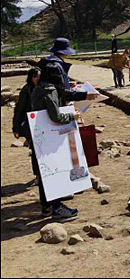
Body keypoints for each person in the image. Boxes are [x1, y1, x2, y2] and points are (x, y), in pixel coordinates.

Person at [30, 61, 88, 220]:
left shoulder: (39, 87)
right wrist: (72, 116)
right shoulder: (50, 90)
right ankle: (57, 208)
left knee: (46, 171)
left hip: (41, 135)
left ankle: (47, 206)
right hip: (50, 136)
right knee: (54, 170)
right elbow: (55, 116)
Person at [12, 67, 41, 152]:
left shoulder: (42, 88)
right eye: (36, 77)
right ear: (31, 78)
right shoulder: (26, 90)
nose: (38, 79)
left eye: (39, 77)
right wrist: (15, 128)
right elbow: (19, 109)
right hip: (29, 123)